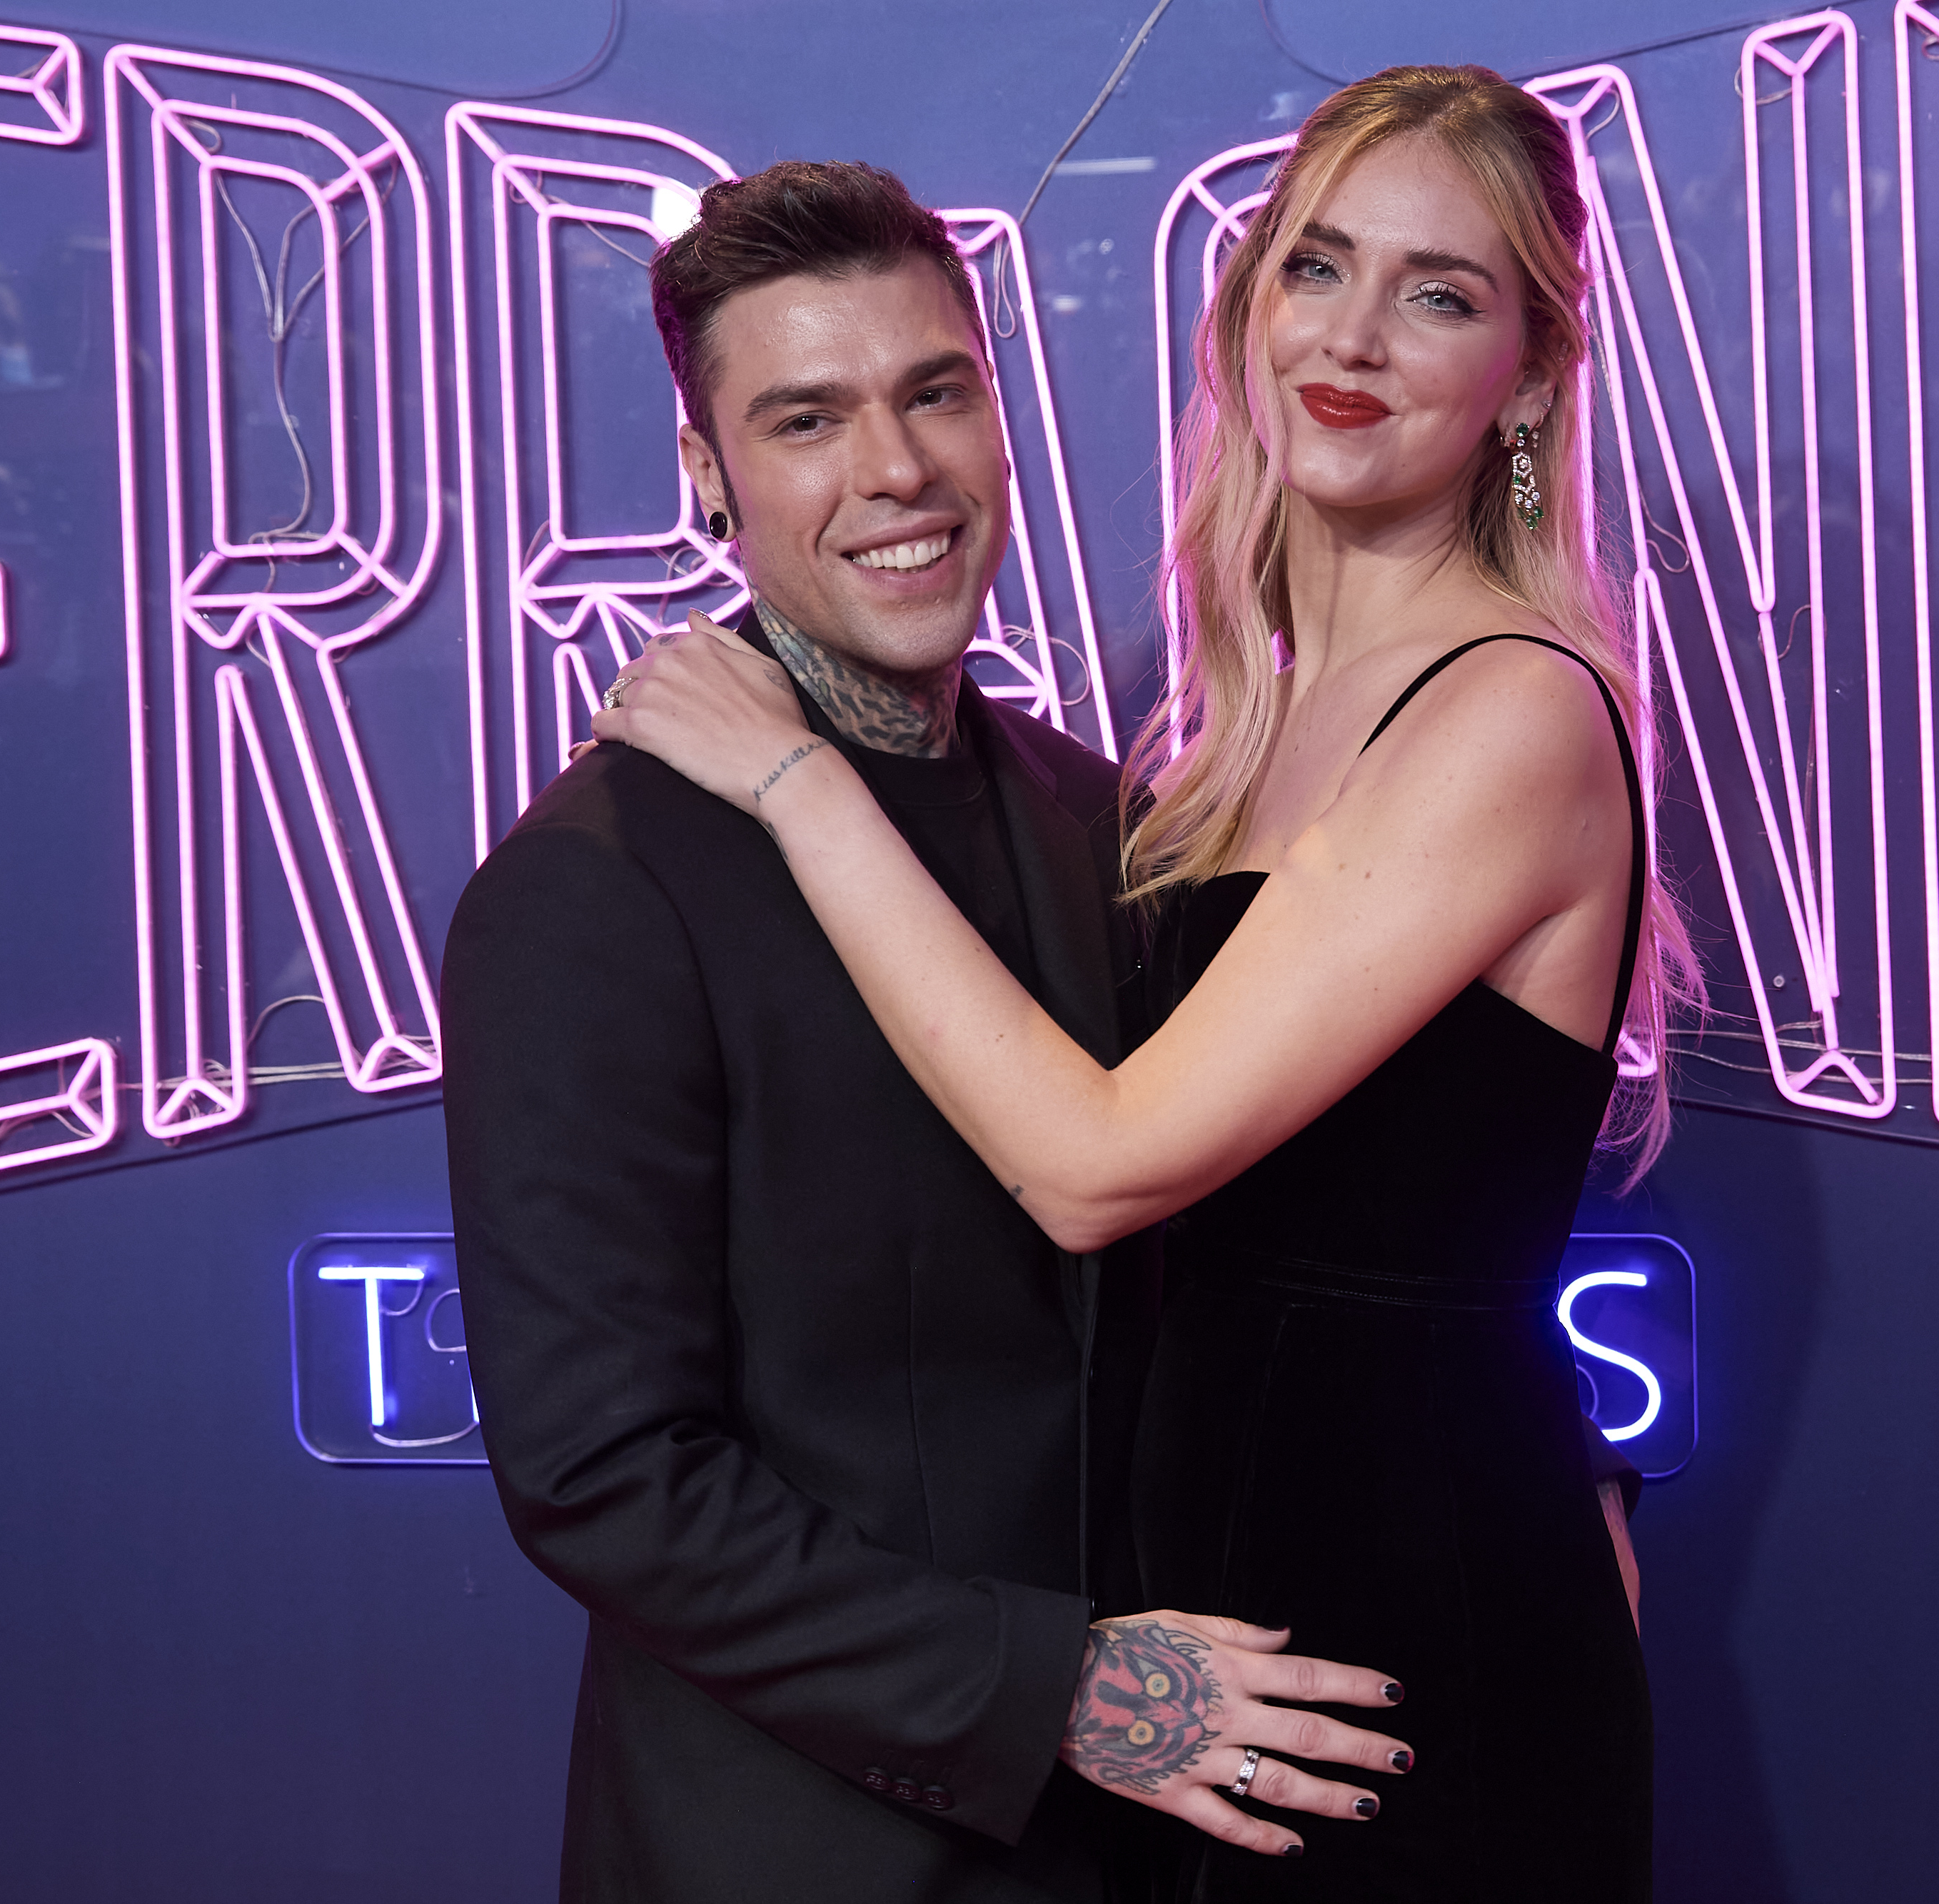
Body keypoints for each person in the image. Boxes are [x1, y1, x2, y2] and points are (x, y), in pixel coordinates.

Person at [592, 69, 1688, 1900]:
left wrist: (789, 771)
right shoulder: (1217, 737)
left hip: (1400, 1616)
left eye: (1440, 292)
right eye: (1314, 265)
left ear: (1533, 375)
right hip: (1213, 1616)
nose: (1352, 336)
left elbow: (1103, 1163)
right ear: (1243, 303)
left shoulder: (1504, 709)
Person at [441, 160, 1410, 1904]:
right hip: (803, 1846)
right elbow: (602, 1474)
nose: (896, 470)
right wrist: (1062, 1689)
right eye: (805, 417)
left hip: (1144, 1847)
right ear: (704, 472)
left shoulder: (1094, 812)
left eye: (934, 390)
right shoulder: (595, 888)